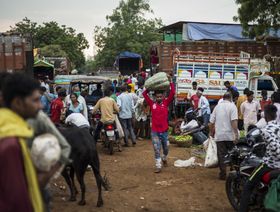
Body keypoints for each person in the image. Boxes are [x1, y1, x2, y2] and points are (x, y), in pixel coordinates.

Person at [0, 73, 58, 212]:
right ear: (18, 102)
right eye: (35, 100)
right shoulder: (11, 145)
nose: (40, 106)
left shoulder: (13, 133)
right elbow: (18, 201)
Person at [239, 104, 280, 212]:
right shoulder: (279, 127)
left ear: (265, 116)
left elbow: (275, 148)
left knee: (248, 186)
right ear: (276, 115)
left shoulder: (265, 130)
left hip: (270, 165)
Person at [142, 80, 175, 173]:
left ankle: (164, 158)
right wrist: (148, 88)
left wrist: (171, 82)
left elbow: (172, 92)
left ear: (163, 96)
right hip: (155, 131)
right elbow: (144, 94)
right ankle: (158, 165)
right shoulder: (152, 104)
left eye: (161, 96)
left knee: (166, 149)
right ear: (155, 97)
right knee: (156, 149)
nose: (159, 98)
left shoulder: (166, 102)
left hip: (164, 131)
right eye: (157, 97)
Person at [209, 92, 239, 180]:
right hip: (230, 136)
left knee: (221, 155)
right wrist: (236, 134)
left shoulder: (217, 107)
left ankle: (223, 174)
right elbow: (234, 121)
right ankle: (234, 173)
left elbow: (211, 123)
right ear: (231, 98)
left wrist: (211, 132)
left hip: (220, 135)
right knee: (232, 154)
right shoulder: (232, 106)